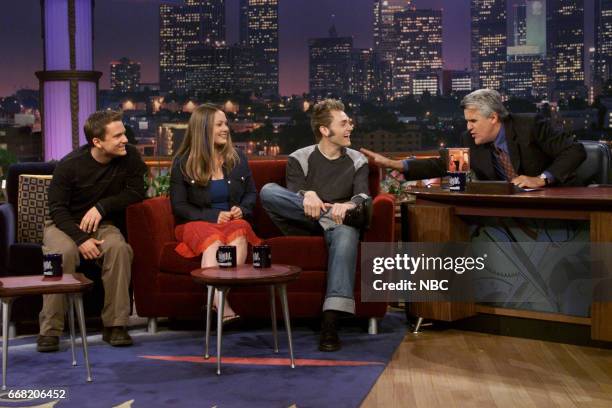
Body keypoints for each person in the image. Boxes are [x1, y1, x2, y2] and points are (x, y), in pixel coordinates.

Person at [260, 99, 371, 352]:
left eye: (349, 122)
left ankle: (330, 323)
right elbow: (291, 199)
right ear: (324, 130)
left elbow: (363, 197)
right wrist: (306, 194)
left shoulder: (357, 160)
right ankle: (332, 216)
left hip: (339, 225)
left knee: (346, 231)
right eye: (343, 123)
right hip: (303, 222)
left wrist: (350, 206)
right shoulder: (300, 158)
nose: (349, 127)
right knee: (268, 191)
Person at [37, 110, 148, 352]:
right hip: (63, 225)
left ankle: (116, 325)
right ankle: (50, 330)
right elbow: (57, 210)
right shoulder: (69, 165)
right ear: (97, 142)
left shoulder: (129, 157)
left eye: (124, 133)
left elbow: (137, 192)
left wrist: (102, 206)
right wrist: (80, 239)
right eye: (118, 136)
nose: (125, 139)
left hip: (102, 224)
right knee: (62, 254)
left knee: (119, 249)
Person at [361, 89, 586, 188]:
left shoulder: (530, 126)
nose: (469, 128)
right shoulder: (470, 141)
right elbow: (440, 164)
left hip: (551, 200)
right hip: (504, 213)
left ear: (493, 117)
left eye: (473, 121)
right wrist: (394, 164)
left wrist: (542, 178)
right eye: (467, 122)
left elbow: (575, 150)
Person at [170, 104, 261, 324]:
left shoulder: (237, 158)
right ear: (203, 129)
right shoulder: (183, 163)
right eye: (219, 124)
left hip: (232, 222)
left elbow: (251, 193)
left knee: (240, 232)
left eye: (226, 124)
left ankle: (216, 299)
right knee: (213, 241)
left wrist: (243, 209)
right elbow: (179, 206)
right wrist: (211, 216)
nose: (225, 129)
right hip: (198, 222)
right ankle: (223, 305)